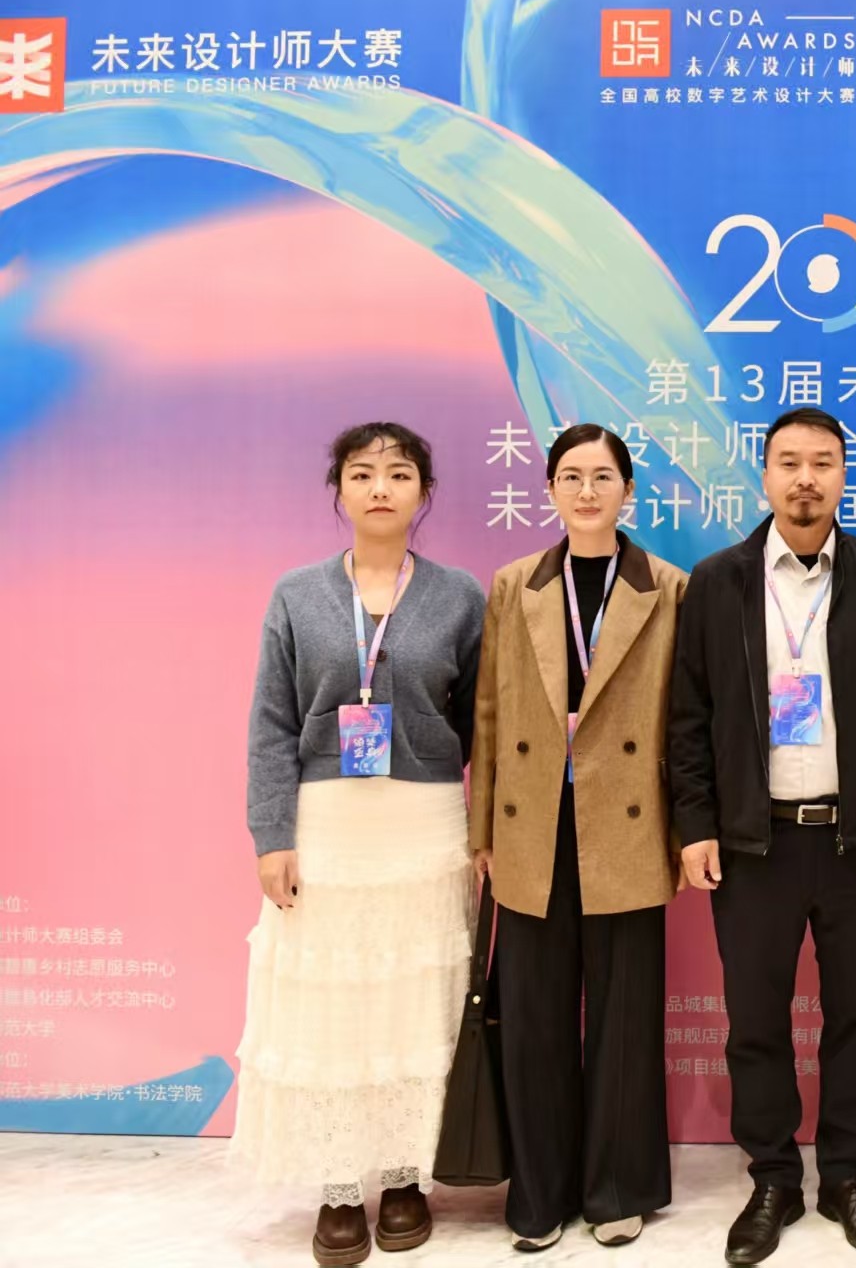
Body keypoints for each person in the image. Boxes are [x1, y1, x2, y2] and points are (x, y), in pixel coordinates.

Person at [670, 407, 856, 1265]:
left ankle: (846, 1176)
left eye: (823, 462)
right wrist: (697, 824)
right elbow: (689, 714)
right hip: (756, 843)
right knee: (755, 1020)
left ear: (844, 475)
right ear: (766, 475)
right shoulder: (718, 581)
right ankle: (773, 1178)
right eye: (789, 462)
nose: (806, 478)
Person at [233, 422, 484, 1267]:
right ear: (338, 490)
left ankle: (408, 1175)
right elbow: (271, 723)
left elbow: (483, 722)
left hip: (426, 823)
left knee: (416, 1001)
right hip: (327, 824)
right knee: (334, 1005)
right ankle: (341, 1185)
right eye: (363, 473)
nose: (381, 487)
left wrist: (485, 829)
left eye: (400, 473)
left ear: (424, 493)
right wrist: (272, 833)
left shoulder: (460, 597)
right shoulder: (296, 595)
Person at [467, 423, 688, 1251]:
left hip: (627, 824)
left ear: (628, 489)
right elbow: (489, 713)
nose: (587, 491)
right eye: (571, 476)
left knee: (625, 1017)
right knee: (534, 1017)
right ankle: (539, 1193)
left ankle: (617, 1187)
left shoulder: (667, 587)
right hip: (530, 826)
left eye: (602, 476)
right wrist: (482, 828)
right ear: (550, 490)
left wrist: (682, 831)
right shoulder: (515, 584)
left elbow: (685, 720)